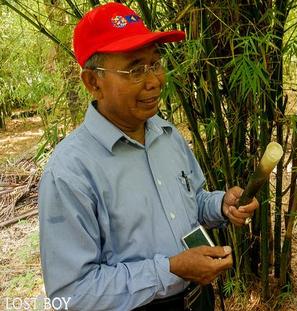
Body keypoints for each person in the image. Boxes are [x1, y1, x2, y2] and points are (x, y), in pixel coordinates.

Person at [38, 3, 259, 311]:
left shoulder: (166, 135)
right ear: (93, 82)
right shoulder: (70, 172)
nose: (155, 80)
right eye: (136, 69)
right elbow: (72, 293)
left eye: (155, 63)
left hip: (200, 299)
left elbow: (191, 202)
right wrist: (169, 270)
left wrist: (221, 205)